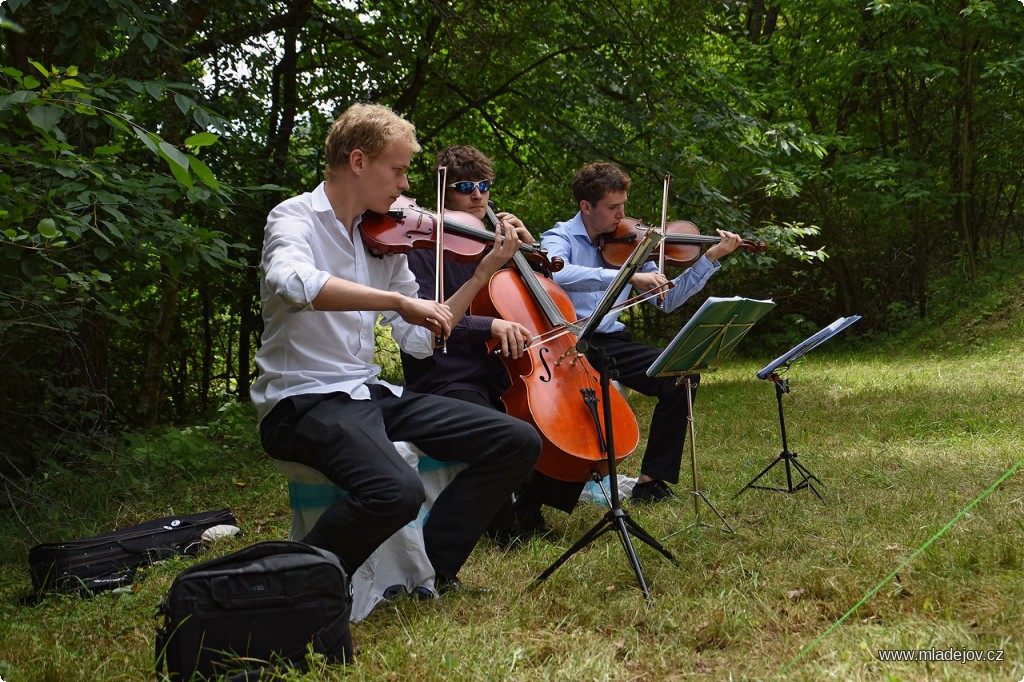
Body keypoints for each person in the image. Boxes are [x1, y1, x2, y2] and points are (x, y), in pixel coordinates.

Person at [250, 104, 541, 594]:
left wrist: (481, 275)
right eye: (399, 170)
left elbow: (420, 339)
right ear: (359, 162)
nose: (406, 186)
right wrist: (398, 301)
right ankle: (296, 587)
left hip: (367, 395)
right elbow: (293, 283)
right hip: (299, 402)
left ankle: (434, 571)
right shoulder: (294, 217)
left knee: (516, 441)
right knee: (395, 491)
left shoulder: (384, 240)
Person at [400, 145, 584, 541]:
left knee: (566, 412)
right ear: (443, 192)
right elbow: (426, 319)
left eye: (484, 186)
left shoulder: (494, 242)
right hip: (448, 373)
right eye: (466, 187)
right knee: (498, 428)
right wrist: (490, 325)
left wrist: (530, 252)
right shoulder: (420, 245)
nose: (478, 195)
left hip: (501, 367)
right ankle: (504, 527)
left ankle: (533, 506)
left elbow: (534, 301)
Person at [540, 161, 742, 503]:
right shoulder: (560, 237)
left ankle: (651, 482)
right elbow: (555, 273)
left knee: (680, 376)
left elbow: (667, 300)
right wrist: (625, 276)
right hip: (569, 340)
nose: (622, 216)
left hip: (611, 339)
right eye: (613, 208)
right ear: (586, 207)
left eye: (624, 205)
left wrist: (708, 259)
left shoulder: (630, 242)